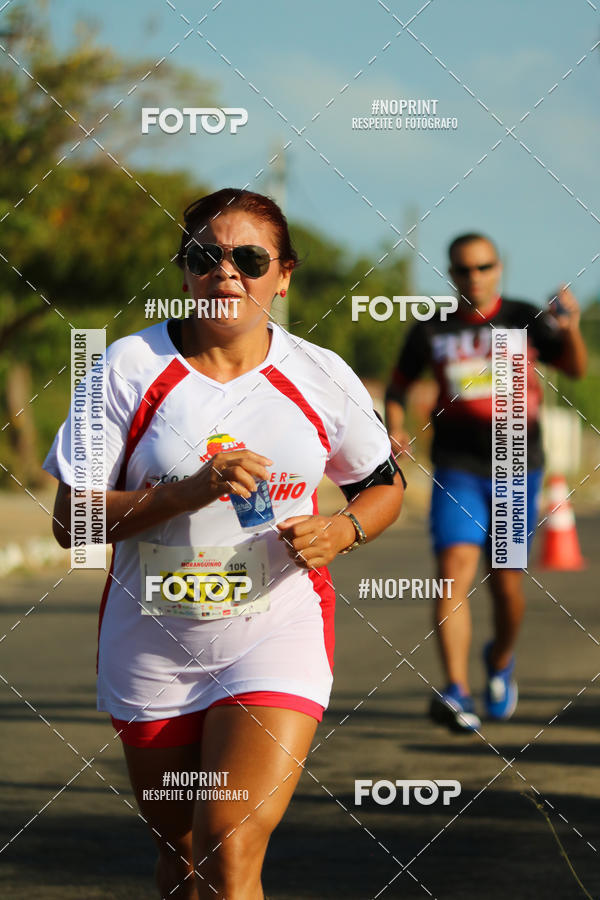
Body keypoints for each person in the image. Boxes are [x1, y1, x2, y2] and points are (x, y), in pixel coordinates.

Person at [44, 188, 405, 899]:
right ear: (184, 271)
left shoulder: (319, 373)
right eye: (205, 255)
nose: (226, 271)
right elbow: (69, 522)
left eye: (250, 259)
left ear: (284, 275)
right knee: (182, 857)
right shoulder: (126, 367)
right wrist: (188, 491)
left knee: (227, 848)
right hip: (153, 641)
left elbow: (384, 484)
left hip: (275, 630)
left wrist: (343, 529)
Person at [385, 232, 586, 733]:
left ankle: (500, 658)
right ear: (451, 273)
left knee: (506, 584)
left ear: (499, 267)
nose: (473, 277)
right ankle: (456, 690)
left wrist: (572, 329)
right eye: (462, 269)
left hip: (515, 465)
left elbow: (575, 369)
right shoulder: (432, 328)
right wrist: (395, 425)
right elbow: (398, 386)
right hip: (457, 466)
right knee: (452, 570)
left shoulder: (523, 317)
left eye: (483, 267)